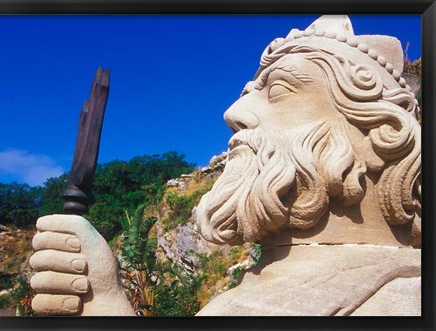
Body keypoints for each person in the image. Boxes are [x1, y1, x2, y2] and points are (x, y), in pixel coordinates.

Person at [30, 15, 421, 316]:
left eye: (278, 90)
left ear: (381, 133)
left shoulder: (404, 300)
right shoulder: (250, 290)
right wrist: (108, 302)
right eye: (248, 94)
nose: (233, 113)